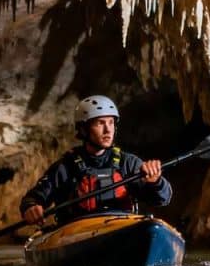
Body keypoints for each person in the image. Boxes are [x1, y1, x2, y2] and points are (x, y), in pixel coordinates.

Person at [20, 95, 172, 226]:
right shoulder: (66, 167)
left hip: (121, 228)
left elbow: (163, 199)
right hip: (78, 233)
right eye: (100, 123)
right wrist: (31, 207)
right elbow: (33, 197)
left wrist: (155, 182)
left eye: (111, 122)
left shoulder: (128, 163)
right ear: (84, 129)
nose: (108, 130)